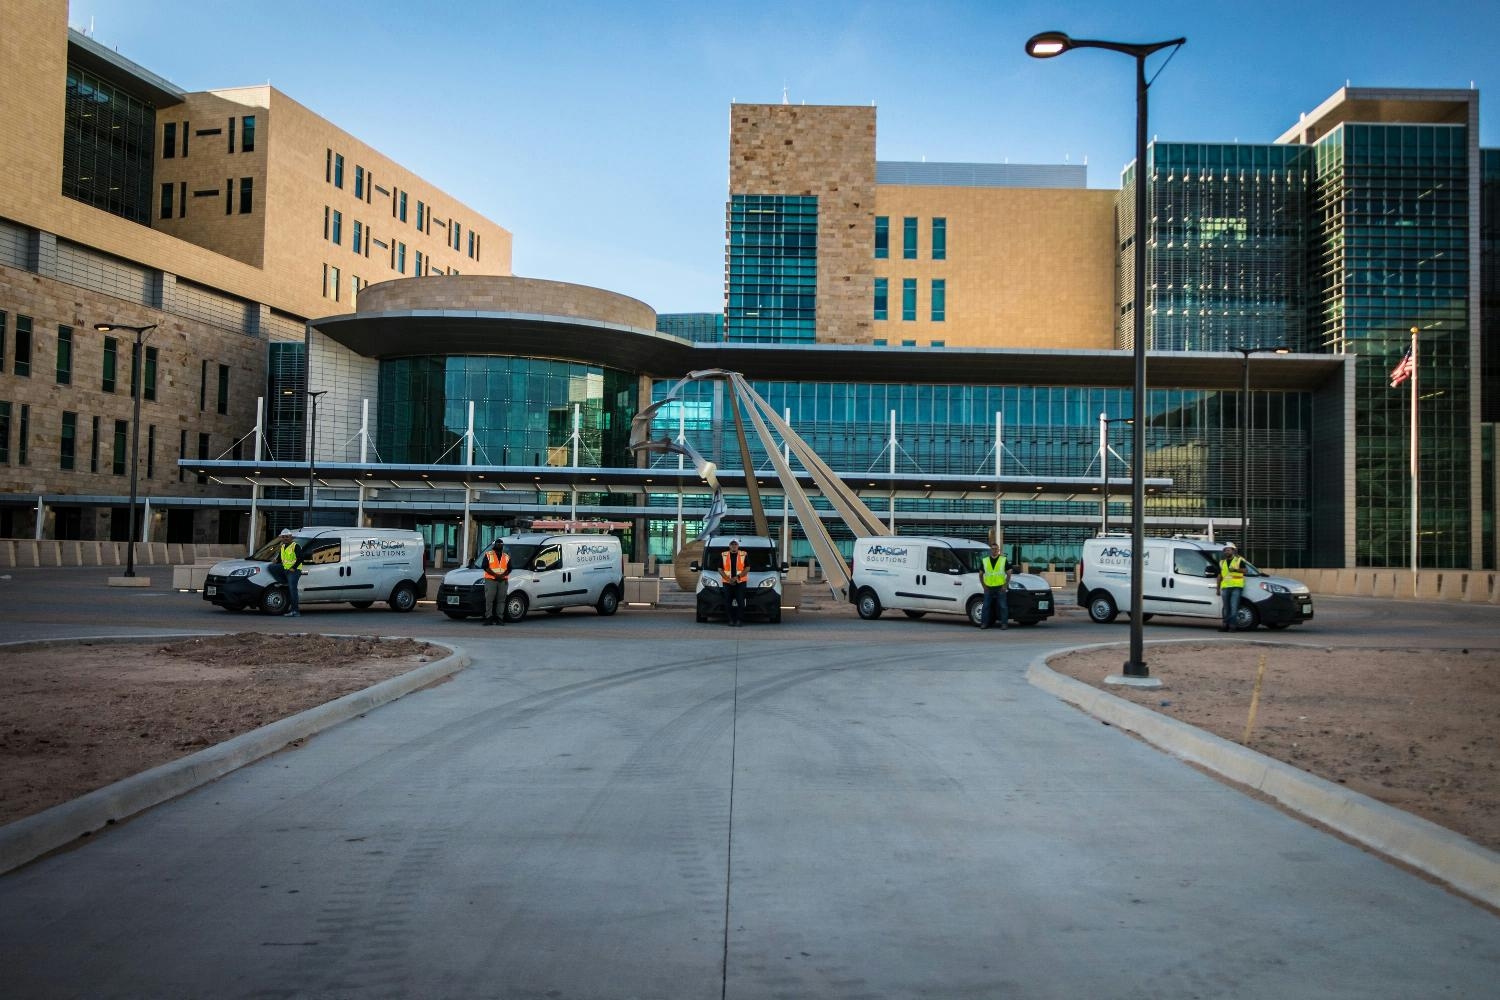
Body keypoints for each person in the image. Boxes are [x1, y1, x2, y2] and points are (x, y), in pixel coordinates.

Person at [1218, 541, 1247, 631]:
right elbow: (1220, 576)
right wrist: (1217, 588)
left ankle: (1232, 626)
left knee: (1234, 607)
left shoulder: (1239, 560)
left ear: (1233, 551)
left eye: (1229, 550)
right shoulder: (1222, 562)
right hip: (1225, 587)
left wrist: (1236, 569)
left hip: (1236, 587)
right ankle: (1225, 626)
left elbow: (1245, 571)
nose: (1227, 552)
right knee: (1226, 608)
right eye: (1225, 550)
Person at [275, 529, 304, 617]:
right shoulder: (283, 546)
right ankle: (283, 582)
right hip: (286, 570)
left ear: (291, 537)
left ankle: (295, 611)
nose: (285, 538)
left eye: (287, 537)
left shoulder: (295, 546)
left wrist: (293, 568)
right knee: (271, 567)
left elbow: (300, 558)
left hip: (294, 571)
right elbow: (280, 559)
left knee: (292, 590)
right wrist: (275, 561)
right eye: (283, 537)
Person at [482, 537, 510, 626]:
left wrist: (502, 575)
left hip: (502, 580)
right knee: (489, 600)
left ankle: (499, 618)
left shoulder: (506, 556)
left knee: (501, 600)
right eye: (498, 544)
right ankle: (488, 618)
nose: (499, 545)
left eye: (501, 544)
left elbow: (509, 568)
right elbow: (485, 567)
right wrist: (496, 575)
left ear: (502, 546)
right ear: (494, 545)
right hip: (491, 580)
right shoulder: (488, 554)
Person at [980, 542, 1009, 630]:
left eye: (996, 549)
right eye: (993, 549)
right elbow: (981, 574)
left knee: (1003, 606)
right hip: (988, 587)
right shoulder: (985, 560)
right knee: (985, 606)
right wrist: (983, 585)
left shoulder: (1003, 560)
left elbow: (1009, 573)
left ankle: (1004, 624)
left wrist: (1005, 585)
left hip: (1000, 587)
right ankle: (984, 624)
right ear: (990, 550)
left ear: (998, 550)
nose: (994, 550)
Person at [721, 538, 748, 626]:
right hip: (727, 582)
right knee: (727, 602)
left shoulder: (744, 554)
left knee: (741, 602)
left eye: (735, 544)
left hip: (740, 582)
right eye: (732, 544)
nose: (734, 546)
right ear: (729, 546)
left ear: (738, 545)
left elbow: (747, 568)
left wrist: (737, 577)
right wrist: (728, 579)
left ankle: (739, 620)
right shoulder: (723, 555)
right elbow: (719, 569)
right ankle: (730, 620)